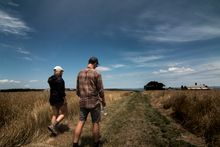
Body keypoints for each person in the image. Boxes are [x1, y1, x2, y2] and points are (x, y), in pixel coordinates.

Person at [73, 57, 106, 147]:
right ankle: (96, 144)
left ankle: (75, 144)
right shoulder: (97, 73)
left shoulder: (79, 73)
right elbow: (101, 90)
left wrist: (83, 96)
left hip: (82, 102)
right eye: (97, 65)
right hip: (94, 102)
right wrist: (103, 102)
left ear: (89, 63)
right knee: (95, 122)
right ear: (95, 63)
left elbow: (77, 90)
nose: (96, 67)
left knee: (81, 121)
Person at [47, 66, 67, 136]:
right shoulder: (61, 80)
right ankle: (53, 126)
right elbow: (62, 92)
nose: (62, 73)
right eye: (61, 71)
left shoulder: (50, 79)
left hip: (52, 99)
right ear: (58, 71)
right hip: (59, 99)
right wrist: (65, 100)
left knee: (55, 114)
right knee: (63, 113)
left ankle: (53, 131)